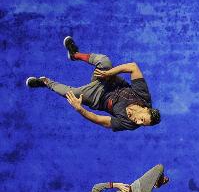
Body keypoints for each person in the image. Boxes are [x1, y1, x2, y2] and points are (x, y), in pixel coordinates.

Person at [26, 36, 160, 131]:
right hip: (109, 81)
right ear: (145, 108)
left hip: (97, 98)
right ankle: (75, 54)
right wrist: (109, 73)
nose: (137, 122)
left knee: (71, 94)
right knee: (105, 61)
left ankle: (45, 82)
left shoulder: (128, 124)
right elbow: (133, 67)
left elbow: (99, 120)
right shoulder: (144, 97)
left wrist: (80, 109)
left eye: (142, 124)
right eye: (142, 119)